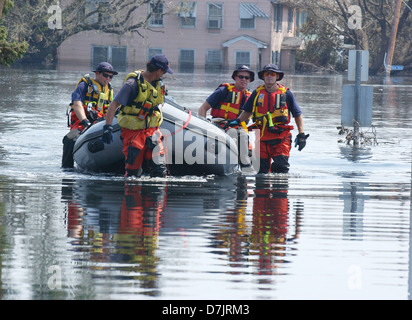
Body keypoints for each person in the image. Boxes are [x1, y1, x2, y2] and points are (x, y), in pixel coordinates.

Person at [225, 64, 309, 174]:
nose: (269, 76)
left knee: (281, 168)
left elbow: (297, 114)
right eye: (266, 74)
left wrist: (301, 134)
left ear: (277, 76)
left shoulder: (286, 93)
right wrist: (237, 121)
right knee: (261, 171)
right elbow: (247, 112)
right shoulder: (257, 93)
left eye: (272, 74)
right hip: (262, 138)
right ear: (263, 77)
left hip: (281, 137)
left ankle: (278, 188)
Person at [102, 54, 173, 178]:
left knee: (160, 171)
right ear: (158, 70)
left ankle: (158, 196)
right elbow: (113, 105)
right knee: (133, 173)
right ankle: (132, 193)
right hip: (133, 134)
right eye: (163, 72)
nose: (163, 75)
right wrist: (107, 127)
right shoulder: (132, 84)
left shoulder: (158, 85)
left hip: (152, 131)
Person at [62, 62, 117, 169]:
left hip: (102, 123)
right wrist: (85, 121)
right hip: (82, 124)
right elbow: (77, 103)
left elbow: (114, 108)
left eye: (111, 76)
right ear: (97, 74)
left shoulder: (110, 91)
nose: (108, 79)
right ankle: (66, 168)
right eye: (105, 75)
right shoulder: (85, 85)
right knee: (69, 140)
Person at [198, 65, 255, 168]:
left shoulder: (251, 97)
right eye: (241, 76)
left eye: (247, 78)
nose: (244, 80)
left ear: (250, 80)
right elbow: (203, 109)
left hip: (238, 129)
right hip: (219, 126)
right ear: (235, 77)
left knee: (247, 153)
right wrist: (204, 130)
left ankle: (242, 176)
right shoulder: (223, 91)